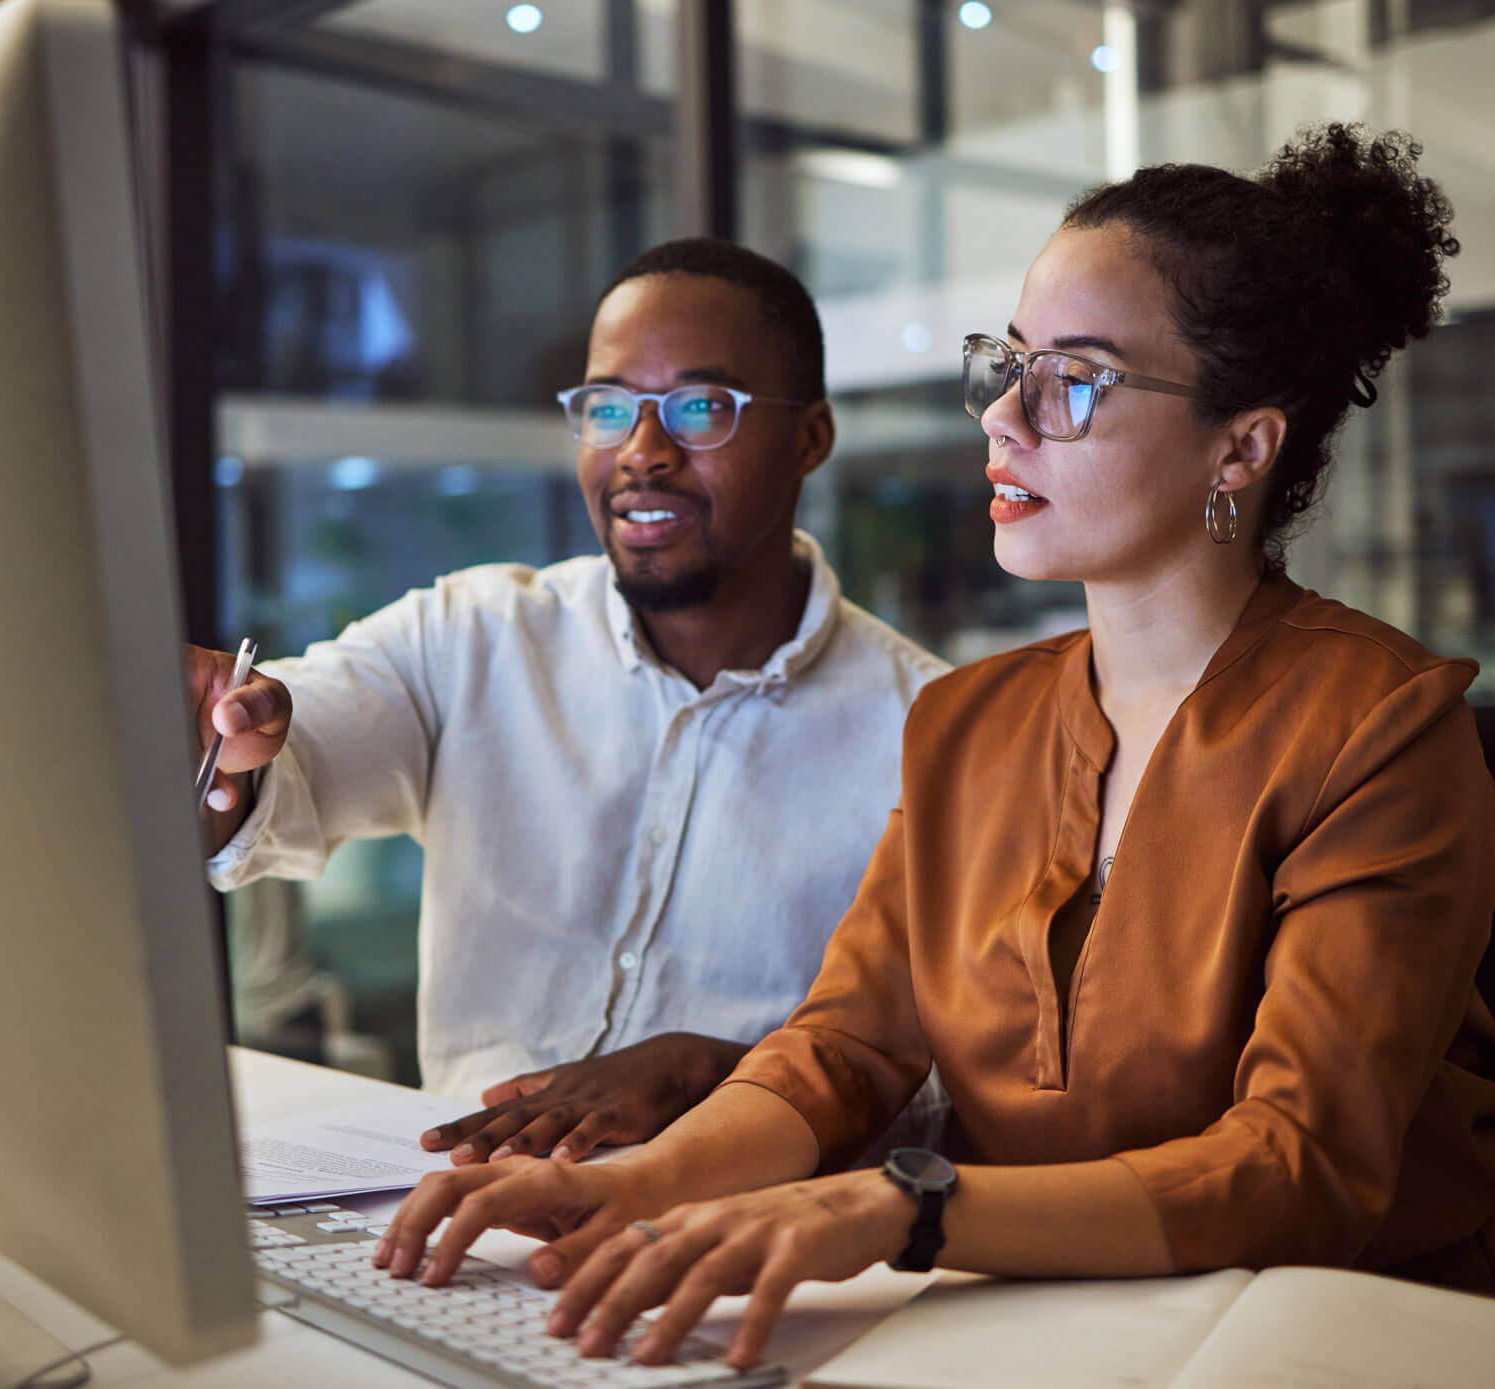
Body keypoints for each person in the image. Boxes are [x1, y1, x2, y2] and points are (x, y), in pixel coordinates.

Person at [368, 124, 1495, 1370]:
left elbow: (1301, 1164)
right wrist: (645, 1185)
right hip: (1035, 1313)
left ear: (1241, 446)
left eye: (1076, 378)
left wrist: (906, 1206)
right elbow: (846, 1045)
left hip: (1348, 1329)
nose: (1004, 416)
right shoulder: (968, 721)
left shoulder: (1377, 727)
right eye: (1007, 364)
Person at [190, 238, 948, 1162]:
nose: (643, 452)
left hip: (739, 1236)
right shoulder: (469, 635)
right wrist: (226, 735)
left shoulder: (934, 732)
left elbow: (951, 1089)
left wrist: (723, 1073)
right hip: (455, 1204)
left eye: (701, 407)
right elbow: (294, 756)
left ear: (810, 439)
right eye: (608, 406)